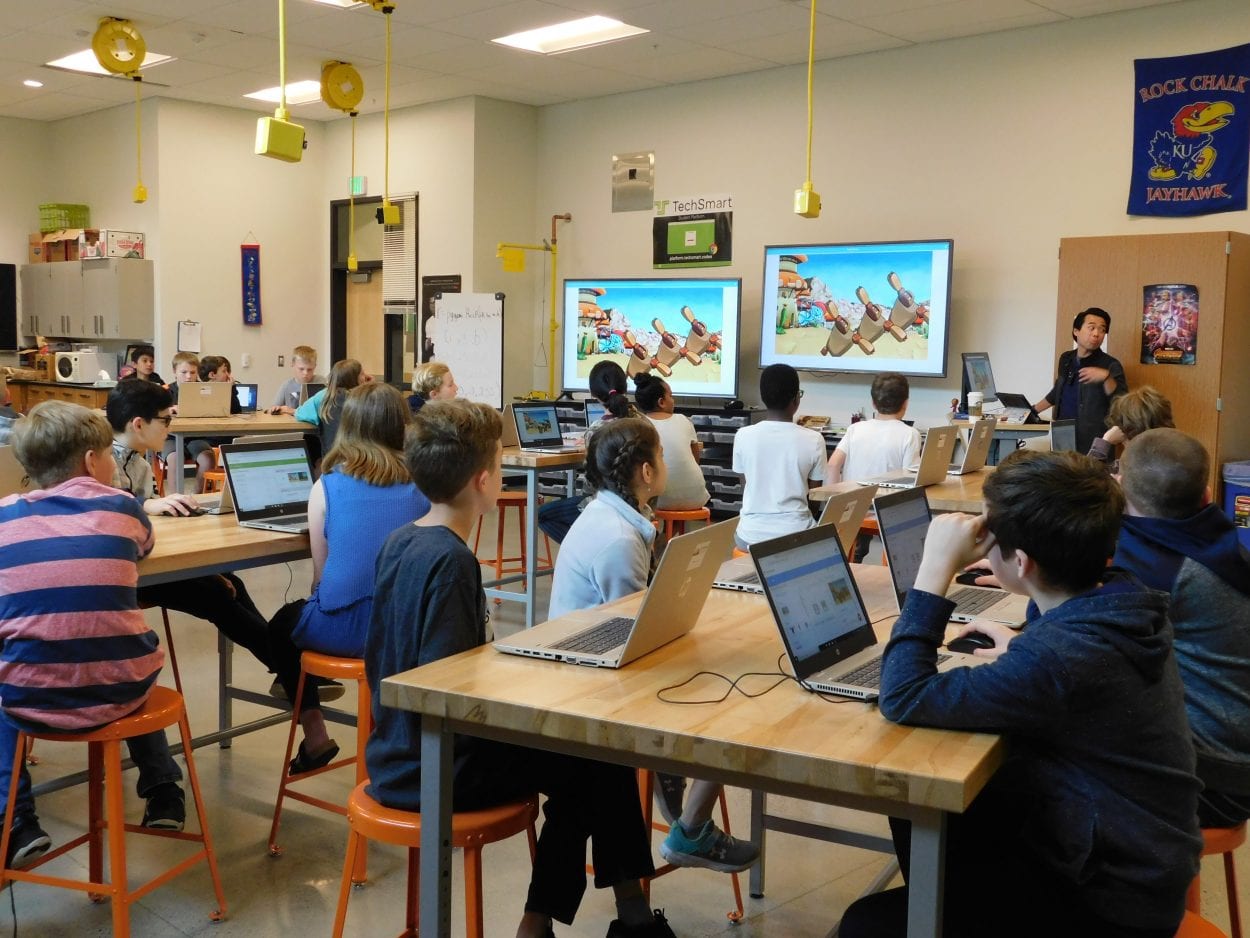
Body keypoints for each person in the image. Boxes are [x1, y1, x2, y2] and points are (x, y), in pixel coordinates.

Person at [839, 449, 1202, 938]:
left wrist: (935, 570)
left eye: (992, 538)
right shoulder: (1121, 599)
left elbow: (902, 695)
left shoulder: (1060, 659)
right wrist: (1025, 642)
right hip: (1139, 863)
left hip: (1107, 905)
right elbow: (1063, 661)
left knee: (866, 922)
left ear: (1023, 562)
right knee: (935, 810)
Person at [366, 400, 675, 938]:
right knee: (592, 759)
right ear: (485, 481)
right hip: (434, 770)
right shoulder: (453, 562)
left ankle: (601, 916)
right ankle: (586, 919)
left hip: (394, 747)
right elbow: (451, 694)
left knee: (590, 758)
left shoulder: (402, 541)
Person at [548, 418, 757, 876]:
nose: (665, 464)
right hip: (592, 682)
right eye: (661, 457)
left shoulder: (619, 516)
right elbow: (630, 630)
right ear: (645, 472)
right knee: (734, 703)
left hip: (604, 660)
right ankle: (691, 825)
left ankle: (679, 795)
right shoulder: (618, 539)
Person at [0, 401, 188, 867]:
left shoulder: (4, 516)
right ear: (91, 461)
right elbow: (142, 547)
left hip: (32, 698)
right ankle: (163, 786)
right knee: (127, 660)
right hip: (122, 689)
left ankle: (16, 819)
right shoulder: (124, 506)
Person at [268, 383, 429, 774]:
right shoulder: (426, 484)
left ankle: (316, 730)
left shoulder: (327, 486)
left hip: (343, 632)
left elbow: (320, 581)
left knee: (279, 628)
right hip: (409, 632)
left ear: (347, 426)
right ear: (402, 426)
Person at [105, 380, 286, 688]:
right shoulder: (103, 460)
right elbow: (104, 508)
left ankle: (287, 672)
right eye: (165, 420)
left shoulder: (139, 462)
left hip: (146, 561)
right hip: (121, 575)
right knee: (216, 594)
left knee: (229, 581)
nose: (169, 427)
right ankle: (294, 672)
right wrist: (146, 503)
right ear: (138, 424)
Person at [1115, 428, 1250, 828]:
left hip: (1212, 779)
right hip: (1233, 756)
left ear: (1122, 492)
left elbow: (1069, 644)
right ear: (1208, 494)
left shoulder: (1156, 568)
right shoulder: (1219, 541)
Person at [536, 360, 642, 544]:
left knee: (543, 515)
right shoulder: (644, 424)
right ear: (625, 386)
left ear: (594, 394)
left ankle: (584, 550)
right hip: (641, 503)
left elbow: (591, 483)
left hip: (603, 505)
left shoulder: (596, 430)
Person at [826, 373, 921, 560]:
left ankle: (857, 554)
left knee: (856, 540)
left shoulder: (855, 429)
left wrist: (834, 504)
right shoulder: (910, 434)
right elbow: (913, 480)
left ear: (873, 403)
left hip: (852, 510)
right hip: (886, 513)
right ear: (906, 403)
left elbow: (832, 465)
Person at [731, 363, 826, 548]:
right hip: (796, 534)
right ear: (796, 398)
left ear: (763, 396)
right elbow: (814, 498)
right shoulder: (814, 439)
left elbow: (747, 485)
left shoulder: (743, 435)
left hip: (749, 535)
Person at [1033, 307, 1127, 454]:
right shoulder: (1066, 359)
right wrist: (1031, 411)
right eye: (1091, 328)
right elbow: (1059, 391)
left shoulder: (1110, 365)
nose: (1097, 334)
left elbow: (1121, 402)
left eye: (1102, 330)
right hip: (1063, 432)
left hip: (1093, 437)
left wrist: (1106, 377)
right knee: (1060, 472)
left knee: (1089, 475)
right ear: (1076, 331)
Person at [635, 373, 708, 511]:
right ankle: (675, 532)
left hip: (658, 500)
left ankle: (661, 532)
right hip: (695, 496)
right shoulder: (683, 420)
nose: (673, 400)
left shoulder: (640, 424)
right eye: (671, 396)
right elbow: (695, 458)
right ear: (661, 402)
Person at [295, 358, 371, 460]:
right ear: (356, 378)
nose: (365, 376)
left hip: (333, 461)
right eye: (362, 373)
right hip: (363, 460)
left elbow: (301, 414)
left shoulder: (324, 396)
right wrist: (370, 387)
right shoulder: (366, 397)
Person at [1087, 385, 1174, 472]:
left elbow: (1087, 479)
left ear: (1126, 431)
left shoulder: (1129, 468)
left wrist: (1105, 442)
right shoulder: (1176, 457)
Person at [269, 345, 322, 416]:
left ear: (315, 366)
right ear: (292, 365)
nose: (305, 373)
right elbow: (273, 408)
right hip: (293, 425)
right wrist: (275, 409)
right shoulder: (287, 385)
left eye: (310, 369)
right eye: (301, 369)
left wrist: (290, 410)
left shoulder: (321, 382)